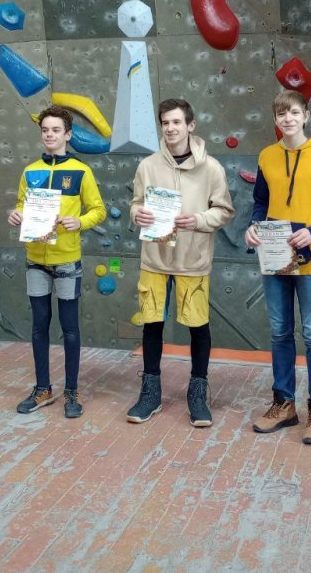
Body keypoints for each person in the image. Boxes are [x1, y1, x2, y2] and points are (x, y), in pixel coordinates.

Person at [244, 90, 311, 444]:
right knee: (279, 331)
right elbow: (260, 204)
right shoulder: (266, 156)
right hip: (275, 258)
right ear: (275, 119)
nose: (287, 119)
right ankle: (284, 404)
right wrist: (253, 227)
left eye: (293, 112)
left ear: (306, 115)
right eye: (281, 114)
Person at [127, 99, 235, 427]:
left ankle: (197, 395)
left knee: (198, 326)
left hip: (193, 259)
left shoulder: (212, 168)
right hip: (155, 259)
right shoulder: (147, 166)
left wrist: (199, 220)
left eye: (176, 122)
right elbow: (136, 203)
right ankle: (150, 394)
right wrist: (137, 214)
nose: (171, 128)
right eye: (165, 123)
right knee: (152, 325)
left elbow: (224, 210)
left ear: (190, 125)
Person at [8, 104, 105, 419]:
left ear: (68, 134)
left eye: (55, 130)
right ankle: (43, 389)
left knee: (70, 328)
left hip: (67, 262)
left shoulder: (81, 171)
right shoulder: (30, 171)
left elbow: (98, 210)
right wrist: (16, 214)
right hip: (35, 259)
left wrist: (81, 222)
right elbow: (21, 205)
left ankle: (72, 391)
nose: (49, 135)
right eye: (45, 130)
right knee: (39, 326)